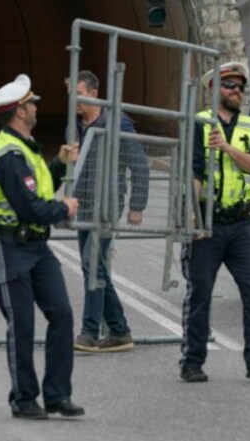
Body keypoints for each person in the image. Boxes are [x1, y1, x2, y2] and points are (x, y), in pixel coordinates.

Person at [0, 74, 84, 419]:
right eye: (32, 103)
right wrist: (64, 209)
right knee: (22, 325)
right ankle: (24, 399)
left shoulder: (26, 147)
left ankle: (57, 395)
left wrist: (59, 163)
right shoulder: (9, 156)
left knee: (62, 314)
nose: (37, 106)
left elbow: (38, 188)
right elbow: (30, 207)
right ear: (19, 111)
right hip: (11, 248)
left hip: (36, 247)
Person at [179, 62, 250, 382]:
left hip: (241, 223)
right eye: (229, 85)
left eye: (240, 87)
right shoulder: (198, 124)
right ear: (213, 90)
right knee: (200, 292)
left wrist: (226, 148)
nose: (237, 91)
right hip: (207, 223)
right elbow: (193, 172)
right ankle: (192, 361)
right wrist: (192, 217)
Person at [66, 70, 150, 353]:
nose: (72, 100)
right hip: (84, 203)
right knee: (94, 265)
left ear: (92, 92)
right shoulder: (76, 124)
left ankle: (89, 332)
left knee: (92, 263)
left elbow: (139, 164)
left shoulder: (117, 122)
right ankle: (119, 330)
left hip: (108, 202)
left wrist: (137, 205)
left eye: (76, 93)